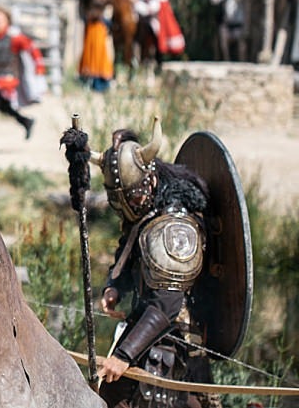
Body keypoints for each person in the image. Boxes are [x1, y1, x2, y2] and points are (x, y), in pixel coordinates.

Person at [92, 124, 213, 408]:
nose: (128, 208)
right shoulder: (150, 213)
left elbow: (166, 304)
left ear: (149, 181)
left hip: (175, 345)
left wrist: (123, 356)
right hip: (144, 334)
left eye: (131, 198)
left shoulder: (175, 230)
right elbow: (131, 242)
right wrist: (115, 285)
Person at [0, 5, 44, 147]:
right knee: (3, 107)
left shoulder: (14, 38)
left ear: (7, 21)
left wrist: (39, 66)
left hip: (7, 80)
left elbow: (31, 48)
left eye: (0, 20)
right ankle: (26, 121)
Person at [79, 0, 114, 92]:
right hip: (94, 48)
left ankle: (96, 84)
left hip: (97, 48)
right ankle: (95, 84)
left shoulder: (96, 20)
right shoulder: (94, 20)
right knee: (94, 64)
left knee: (98, 64)